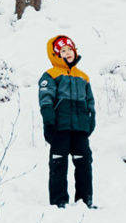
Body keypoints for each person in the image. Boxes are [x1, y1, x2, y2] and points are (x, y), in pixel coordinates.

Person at [39, 34, 95, 208]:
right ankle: (58, 201)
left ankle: (85, 200)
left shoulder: (83, 77)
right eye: (63, 50)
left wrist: (90, 119)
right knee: (58, 162)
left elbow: (89, 101)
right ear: (56, 55)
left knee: (84, 162)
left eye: (70, 49)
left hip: (79, 128)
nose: (67, 53)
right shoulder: (51, 75)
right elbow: (46, 97)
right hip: (59, 127)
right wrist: (49, 119)